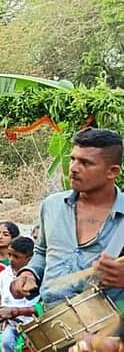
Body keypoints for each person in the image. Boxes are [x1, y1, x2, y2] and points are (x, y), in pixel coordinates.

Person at [12, 128, 124, 310]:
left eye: (86, 163)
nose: (73, 168)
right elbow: (41, 252)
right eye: (73, 159)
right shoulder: (51, 205)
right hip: (54, 325)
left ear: (112, 171)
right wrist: (29, 273)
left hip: (109, 331)